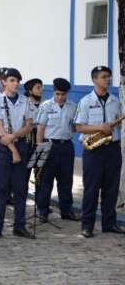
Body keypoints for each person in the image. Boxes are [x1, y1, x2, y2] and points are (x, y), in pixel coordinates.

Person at [74, 66, 124, 238]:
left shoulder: (116, 101)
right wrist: (100, 128)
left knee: (111, 188)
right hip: (93, 150)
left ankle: (109, 224)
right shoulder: (85, 101)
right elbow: (78, 127)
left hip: (112, 149)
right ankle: (87, 225)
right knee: (91, 189)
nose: (107, 80)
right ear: (94, 80)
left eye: (109, 77)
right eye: (103, 77)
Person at [0, 68, 35, 240]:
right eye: (11, 80)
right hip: (4, 149)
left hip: (21, 145)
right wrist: (13, 149)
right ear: (3, 82)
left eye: (17, 81)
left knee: (20, 189)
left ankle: (19, 226)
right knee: (1, 189)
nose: (15, 84)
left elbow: (28, 126)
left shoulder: (26, 101)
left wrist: (14, 136)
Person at [35, 78, 80, 223]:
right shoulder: (46, 106)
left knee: (66, 180)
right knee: (46, 180)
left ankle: (66, 210)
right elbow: (40, 128)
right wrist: (39, 149)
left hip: (66, 146)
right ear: (53, 92)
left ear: (67, 93)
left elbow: (75, 126)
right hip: (49, 146)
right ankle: (43, 211)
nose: (60, 97)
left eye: (63, 94)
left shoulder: (73, 106)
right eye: (57, 94)